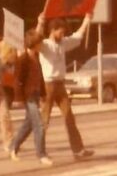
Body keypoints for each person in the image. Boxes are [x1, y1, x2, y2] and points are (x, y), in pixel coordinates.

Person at [36, 12, 94, 160]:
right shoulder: (45, 45)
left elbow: (77, 36)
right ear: (52, 30)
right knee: (44, 120)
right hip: (48, 85)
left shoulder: (63, 43)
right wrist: (40, 23)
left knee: (69, 117)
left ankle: (78, 150)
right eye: (60, 32)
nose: (62, 35)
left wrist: (86, 20)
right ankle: (41, 152)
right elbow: (35, 40)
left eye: (63, 32)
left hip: (60, 85)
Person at [9, 29, 52, 166]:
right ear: (33, 44)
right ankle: (41, 154)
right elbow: (17, 80)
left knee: (28, 125)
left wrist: (44, 94)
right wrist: (19, 99)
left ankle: (13, 147)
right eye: (40, 43)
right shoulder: (23, 59)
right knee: (39, 124)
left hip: (35, 94)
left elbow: (40, 78)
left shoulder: (36, 57)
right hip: (28, 97)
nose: (41, 45)